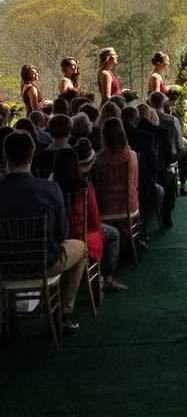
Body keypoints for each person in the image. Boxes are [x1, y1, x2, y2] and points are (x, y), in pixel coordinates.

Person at [0, 131, 87, 330]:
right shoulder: (50, 189)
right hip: (45, 263)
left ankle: (8, 316)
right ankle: (63, 312)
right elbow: (62, 233)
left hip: (4, 267)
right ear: (32, 156)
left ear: (5, 157)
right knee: (81, 247)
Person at [53, 147, 126, 292]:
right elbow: (93, 219)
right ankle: (108, 279)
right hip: (82, 234)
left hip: (58, 237)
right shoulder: (84, 186)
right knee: (114, 234)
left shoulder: (51, 187)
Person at [149, 91, 187, 197]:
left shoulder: (145, 120)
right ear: (164, 103)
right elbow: (179, 143)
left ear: (150, 102)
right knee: (184, 151)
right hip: (168, 157)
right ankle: (182, 186)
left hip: (150, 156)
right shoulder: (172, 120)